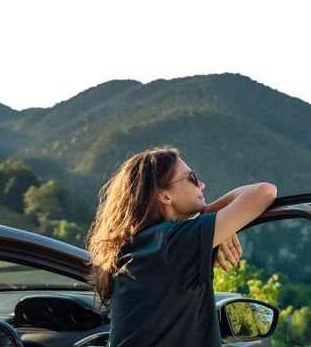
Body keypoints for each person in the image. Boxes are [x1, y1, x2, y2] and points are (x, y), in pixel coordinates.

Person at [85, 146, 277, 346]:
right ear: (165, 196)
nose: (201, 185)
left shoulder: (138, 245)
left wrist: (210, 221)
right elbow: (264, 192)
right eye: (192, 178)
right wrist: (210, 216)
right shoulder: (171, 242)